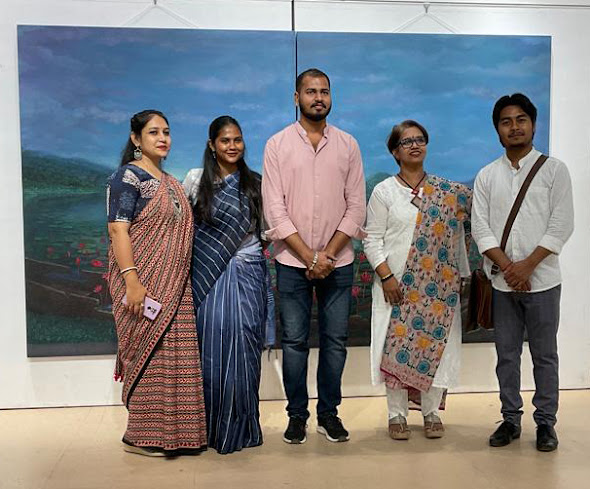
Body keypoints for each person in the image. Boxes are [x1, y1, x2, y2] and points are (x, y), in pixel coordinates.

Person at [262, 68, 366, 444]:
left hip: (339, 263)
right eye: (310, 91)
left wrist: (328, 255)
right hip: (292, 262)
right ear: (297, 98)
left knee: (335, 341)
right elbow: (274, 210)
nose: (318, 98)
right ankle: (297, 416)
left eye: (324, 91)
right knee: (294, 342)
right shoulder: (277, 145)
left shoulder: (348, 145)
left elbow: (356, 207)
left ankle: (328, 415)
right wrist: (309, 256)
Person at [472, 93, 574, 452]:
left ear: (533, 124)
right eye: (506, 121)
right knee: (507, 355)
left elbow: (561, 225)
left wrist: (527, 266)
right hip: (503, 285)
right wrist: (509, 268)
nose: (514, 127)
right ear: (497, 129)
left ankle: (545, 423)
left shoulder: (554, 170)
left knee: (545, 356)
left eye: (521, 120)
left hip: (543, 281)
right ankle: (510, 419)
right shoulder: (487, 175)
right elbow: (480, 228)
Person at [106, 109, 207, 457]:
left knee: (175, 359)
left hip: (175, 288)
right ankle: (141, 437)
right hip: (143, 287)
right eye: (153, 132)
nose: (162, 138)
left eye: (166, 131)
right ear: (136, 139)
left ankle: (178, 435)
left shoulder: (172, 183)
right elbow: (118, 229)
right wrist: (132, 282)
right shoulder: (128, 178)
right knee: (149, 360)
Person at [363, 120, 471, 440]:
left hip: (438, 288)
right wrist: (386, 276)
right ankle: (396, 414)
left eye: (419, 139)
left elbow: (456, 238)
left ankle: (430, 411)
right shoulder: (384, 192)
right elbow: (372, 239)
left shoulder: (445, 193)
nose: (414, 145)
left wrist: (462, 276)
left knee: (435, 347)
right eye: (406, 141)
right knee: (395, 349)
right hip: (396, 286)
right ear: (395, 152)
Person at [183, 116, 275, 455]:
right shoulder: (196, 180)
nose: (232, 146)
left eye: (237, 140)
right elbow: (185, 229)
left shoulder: (255, 183)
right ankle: (208, 429)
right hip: (208, 277)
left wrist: (241, 255)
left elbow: (266, 231)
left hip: (248, 275)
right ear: (212, 145)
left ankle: (242, 428)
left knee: (245, 351)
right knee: (210, 351)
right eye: (225, 140)